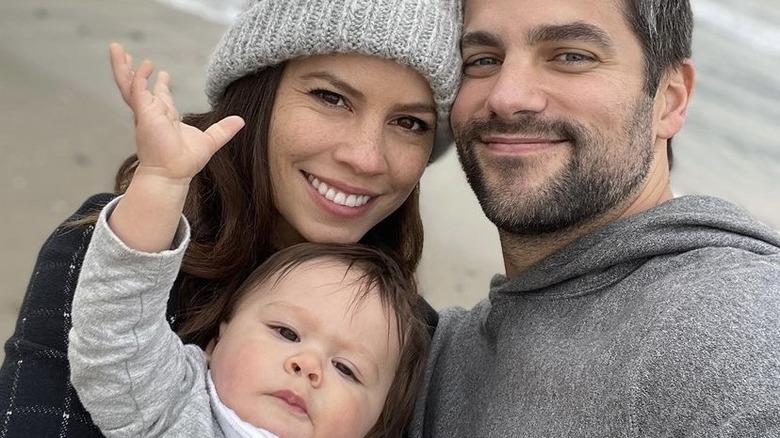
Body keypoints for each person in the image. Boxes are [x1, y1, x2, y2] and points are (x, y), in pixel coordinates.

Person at [0, 0, 460, 435]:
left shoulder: (413, 344)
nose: (366, 158)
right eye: (331, 97)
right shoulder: (116, 255)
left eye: (409, 123)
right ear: (257, 92)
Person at [410, 0, 780, 436]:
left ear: (670, 100)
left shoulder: (724, 331)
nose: (506, 97)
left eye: (571, 56)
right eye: (483, 60)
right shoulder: (448, 350)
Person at [69, 235, 429, 438]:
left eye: (346, 368)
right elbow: (115, 332)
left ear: (376, 427)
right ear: (216, 341)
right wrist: (161, 182)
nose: (308, 365)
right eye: (286, 332)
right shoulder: (171, 404)